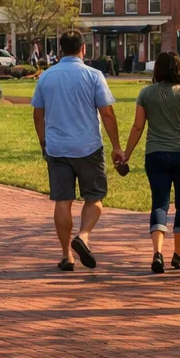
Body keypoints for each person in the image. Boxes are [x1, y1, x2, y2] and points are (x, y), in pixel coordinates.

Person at [32, 30, 120, 271]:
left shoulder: (46, 77)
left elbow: (37, 114)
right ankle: (83, 236)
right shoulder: (93, 75)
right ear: (84, 49)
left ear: (60, 50)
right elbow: (107, 113)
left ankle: (66, 256)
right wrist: (116, 146)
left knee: (63, 200)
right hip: (89, 146)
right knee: (95, 197)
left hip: (57, 147)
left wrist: (43, 142)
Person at [122, 52, 180, 274]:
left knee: (159, 202)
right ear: (179, 70)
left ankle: (157, 252)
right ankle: (178, 255)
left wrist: (127, 154)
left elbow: (138, 127)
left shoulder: (146, 93)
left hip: (155, 153)